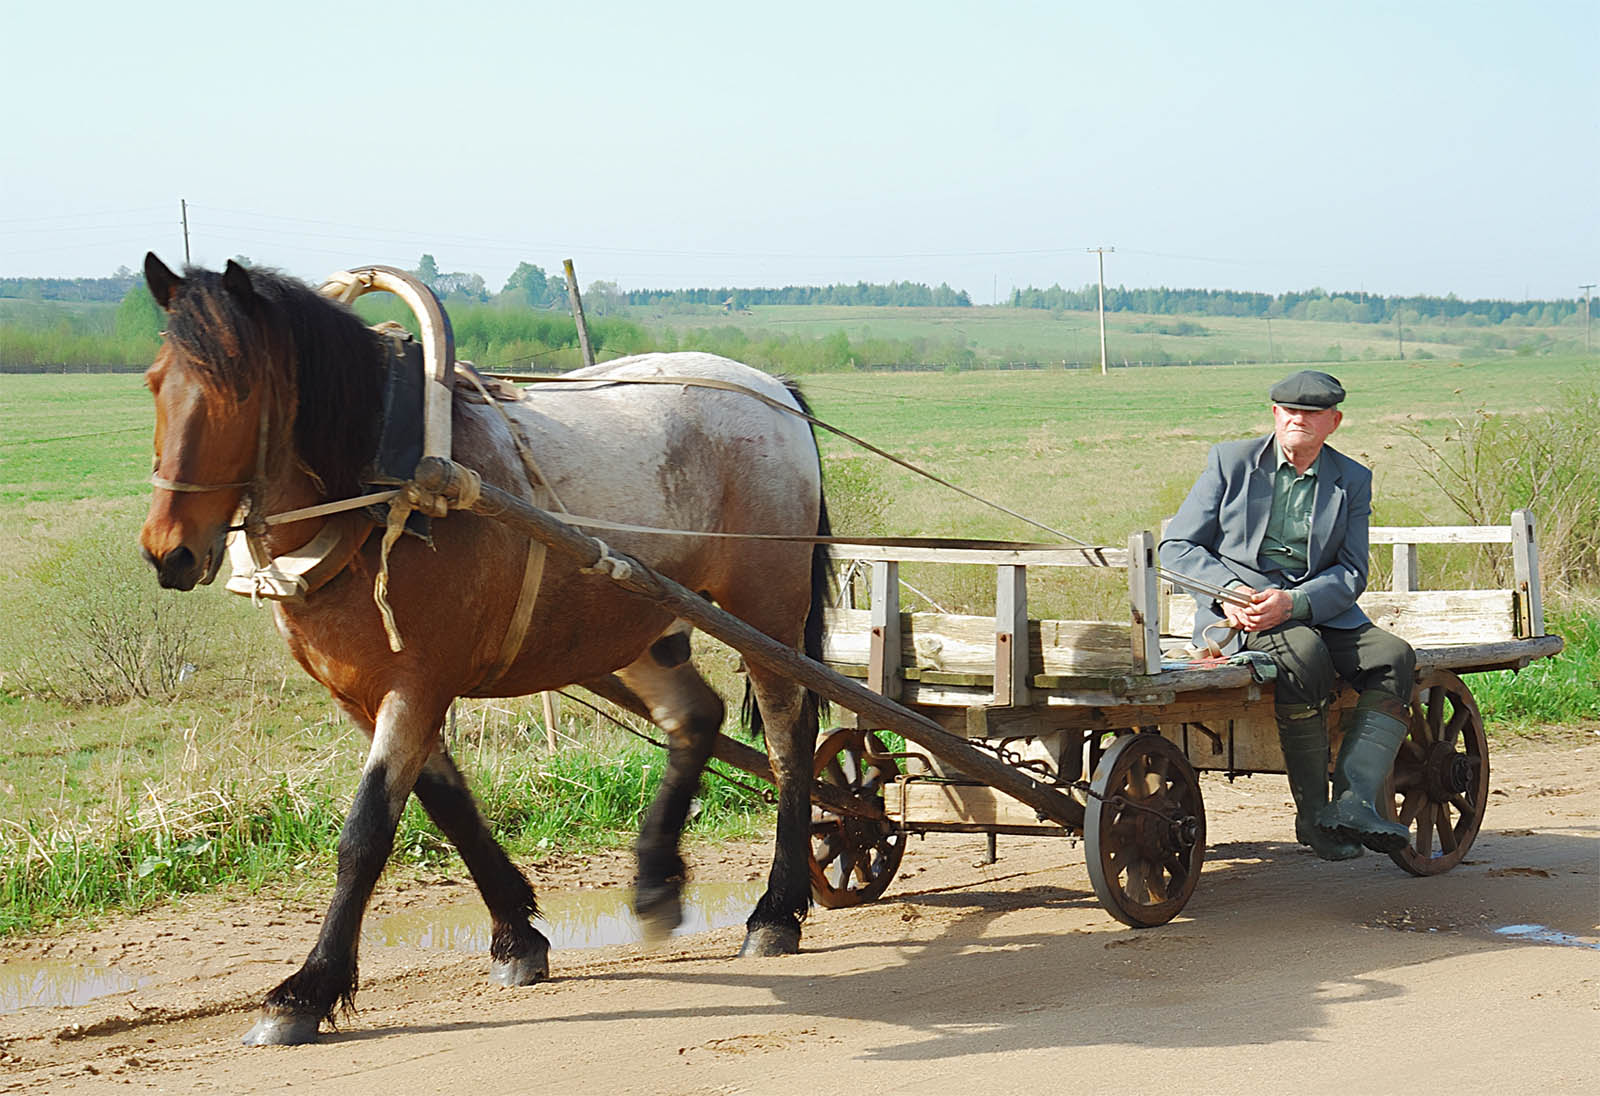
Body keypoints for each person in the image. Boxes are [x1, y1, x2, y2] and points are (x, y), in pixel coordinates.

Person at [1160, 370, 1416, 861]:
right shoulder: (1230, 463)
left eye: (1312, 413)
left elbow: (1351, 570)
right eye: (1290, 411)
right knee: (1303, 651)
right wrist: (1229, 592)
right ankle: (1314, 815)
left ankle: (1354, 803)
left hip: (1318, 610)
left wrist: (1296, 603)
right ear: (1275, 414)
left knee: (1394, 655)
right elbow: (1177, 546)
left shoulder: (1352, 479)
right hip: (1247, 614)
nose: (1299, 419)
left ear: (1333, 422)